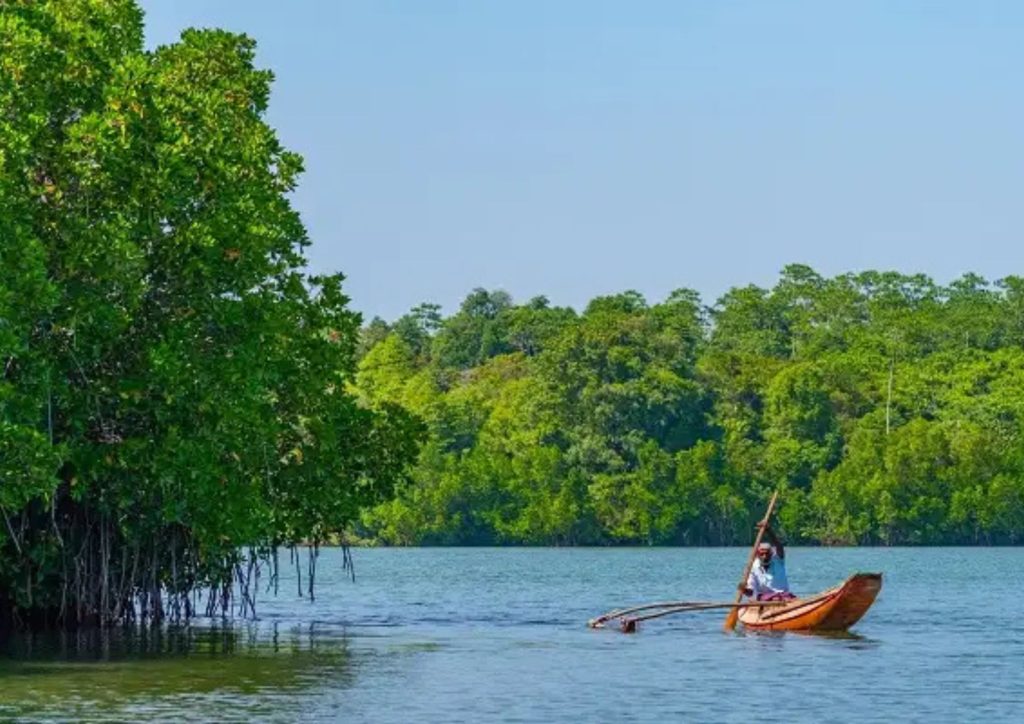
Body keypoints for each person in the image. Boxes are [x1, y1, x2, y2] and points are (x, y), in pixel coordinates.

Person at [741, 522, 796, 601]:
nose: (765, 556)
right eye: (762, 554)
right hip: (765, 600)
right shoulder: (752, 567)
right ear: (757, 555)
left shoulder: (778, 560)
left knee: (789, 599)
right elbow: (750, 592)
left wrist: (769, 530)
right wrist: (743, 589)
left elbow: (778, 546)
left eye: (767, 554)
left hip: (784, 597)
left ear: (771, 554)